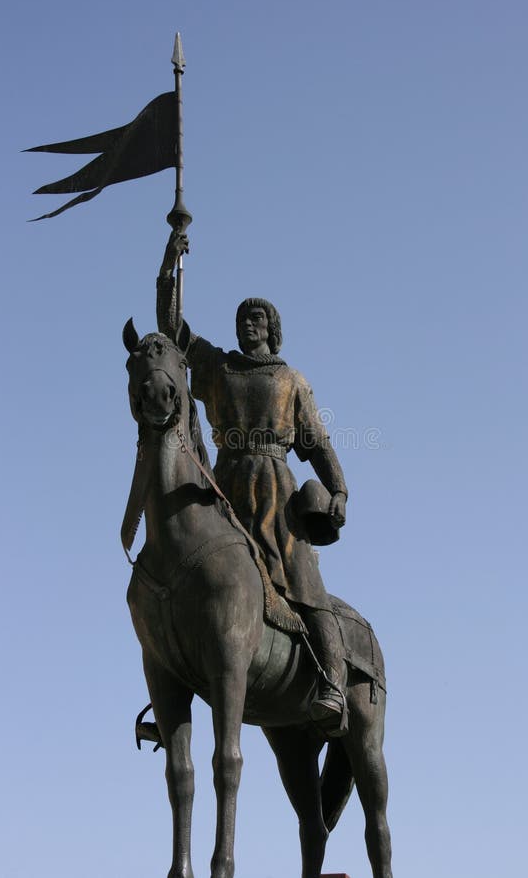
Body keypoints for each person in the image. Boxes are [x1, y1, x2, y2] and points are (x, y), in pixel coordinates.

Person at [157, 246, 348, 727]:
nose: (248, 324)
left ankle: (333, 684)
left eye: (257, 318)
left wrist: (339, 490)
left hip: (276, 491)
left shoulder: (290, 380)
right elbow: (173, 326)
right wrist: (170, 259)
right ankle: (169, 691)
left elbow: (318, 442)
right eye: (242, 318)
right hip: (223, 484)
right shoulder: (220, 367)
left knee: (305, 583)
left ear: (272, 328)